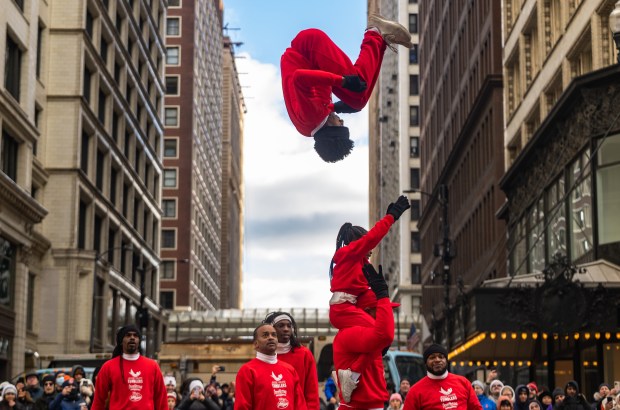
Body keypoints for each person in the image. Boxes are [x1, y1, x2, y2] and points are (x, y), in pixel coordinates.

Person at [281, 15, 412, 162]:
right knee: (358, 100)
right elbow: (314, 99)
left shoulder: (311, 118)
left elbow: (299, 77)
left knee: (358, 94)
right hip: (309, 56)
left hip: (308, 49)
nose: (342, 122)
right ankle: (381, 39)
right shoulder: (312, 124)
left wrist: (343, 82)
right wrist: (337, 107)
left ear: (330, 131)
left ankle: (375, 33)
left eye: (340, 125)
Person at [329, 195, 410, 402]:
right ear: (358, 241)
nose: (371, 248)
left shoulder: (359, 262)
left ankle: (351, 374)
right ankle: (350, 376)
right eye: (365, 241)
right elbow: (373, 237)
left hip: (349, 307)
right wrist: (391, 217)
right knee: (381, 335)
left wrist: (382, 297)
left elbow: (365, 294)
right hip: (343, 309)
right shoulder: (350, 254)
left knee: (377, 340)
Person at [332, 263, 399, 408]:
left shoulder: (364, 335)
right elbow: (386, 335)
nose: (388, 313)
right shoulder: (350, 333)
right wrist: (382, 294)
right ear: (367, 310)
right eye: (381, 309)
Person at [91, 324, 167, 410]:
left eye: (135, 335)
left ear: (139, 341)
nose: (132, 337)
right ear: (121, 341)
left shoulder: (152, 366)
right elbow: (98, 401)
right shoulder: (108, 367)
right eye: (128, 335)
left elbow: (161, 399)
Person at [234, 323, 307, 410]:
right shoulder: (247, 371)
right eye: (265, 335)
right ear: (256, 344)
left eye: (274, 335)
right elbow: (242, 407)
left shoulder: (290, 370)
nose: (271, 337)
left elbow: (300, 405)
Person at [263, 311, 320, 410]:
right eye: (281, 326)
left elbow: (312, 390)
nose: (286, 329)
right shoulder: (264, 356)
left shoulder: (304, 354)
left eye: (289, 326)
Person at [402, 344, 482, 410]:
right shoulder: (414, 391)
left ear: (446, 360)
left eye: (441, 357)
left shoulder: (463, 382)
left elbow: (476, 408)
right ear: (425, 362)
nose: (437, 360)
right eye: (432, 357)